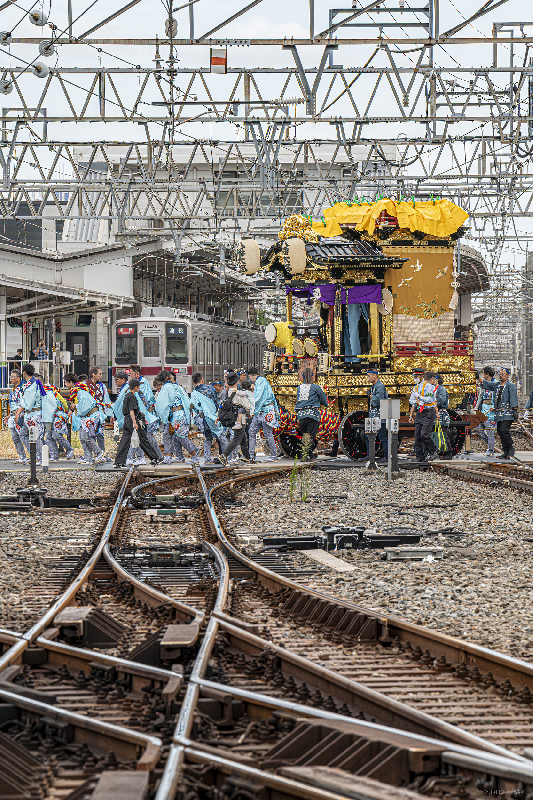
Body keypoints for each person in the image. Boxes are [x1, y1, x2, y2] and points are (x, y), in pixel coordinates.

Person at [114, 380, 162, 467]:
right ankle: (155, 458)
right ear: (136, 387)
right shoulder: (132, 396)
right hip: (132, 421)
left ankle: (119, 462)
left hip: (126, 421)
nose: (139, 387)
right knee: (143, 439)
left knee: (124, 442)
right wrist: (135, 423)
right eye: (138, 386)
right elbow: (132, 410)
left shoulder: (126, 395)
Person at [155, 371, 199, 464]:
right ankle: (176, 456)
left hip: (173, 416)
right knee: (171, 435)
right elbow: (187, 401)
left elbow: (160, 405)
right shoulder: (178, 386)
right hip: (181, 414)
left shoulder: (166, 388)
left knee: (180, 436)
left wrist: (163, 416)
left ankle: (195, 455)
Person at [65, 372, 106, 465]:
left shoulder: (80, 391)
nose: (65, 385)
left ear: (71, 382)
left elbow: (85, 405)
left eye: (66, 382)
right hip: (87, 416)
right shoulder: (78, 389)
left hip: (91, 415)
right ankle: (88, 457)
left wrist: (76, 406)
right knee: (82, 437)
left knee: (86, 437)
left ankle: (99, 452)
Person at [214, 372, 252, 466]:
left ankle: (248, 458)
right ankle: (224, 455)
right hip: (240, 419)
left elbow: (221, 406)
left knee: (243, 438)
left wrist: (218, 417)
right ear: (236, 382)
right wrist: (249, 414)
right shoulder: (239, 393)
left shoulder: (225, 392)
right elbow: (247, 406)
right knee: (237, 438)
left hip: (231, 419)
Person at [481, 367, 518, 459]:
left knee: (504, 430)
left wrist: (515, 409)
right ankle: (506, 451)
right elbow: (487, 384)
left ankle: (511, 448)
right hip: (499, 414)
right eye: (500, 374)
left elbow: (513, 397)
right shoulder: (497, 385)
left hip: (508, 413)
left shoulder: (510, 385)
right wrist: (478, 377)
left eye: (503, 374)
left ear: (507, 376)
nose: (501, 376)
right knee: (499, 431)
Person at [191, 372, 226, 464]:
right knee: (221, 436)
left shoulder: (193, 393)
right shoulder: (210, 389)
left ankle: (207, 459)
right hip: (211, 417)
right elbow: (217, 402)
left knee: (208, 438)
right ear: (202, 379)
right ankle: (228, 456)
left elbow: (194, 406)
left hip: (201, 418)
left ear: (194, 383)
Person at [294, 368, 329, 461]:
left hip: (301, 415)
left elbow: (298, 400)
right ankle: (304, 456)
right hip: (312, 415)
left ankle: (309, 455)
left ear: (303, 377)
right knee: (310, 437)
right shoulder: (316, 387)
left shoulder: (299, 388)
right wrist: (326, 404)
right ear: (313, 377)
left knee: (305, 436)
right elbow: (323, 399)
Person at [14, 363, 45, 463]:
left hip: (33, 414)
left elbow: (28, 403)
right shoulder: (31, 383)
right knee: (24, 434)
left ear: (24, 372)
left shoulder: (31, 385)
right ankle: (34, 456)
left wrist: (18, 412)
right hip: (30, 415)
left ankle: (40, 458)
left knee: (36, 437)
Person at [128, 364, 160, 459]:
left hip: (146, 414)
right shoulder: (140, 383)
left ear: (137, 374)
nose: (130, 376)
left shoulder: (142, 383)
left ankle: (158, 456)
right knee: (139, 436)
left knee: (147, 437)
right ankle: (133, 457)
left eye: (131, 374)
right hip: (143, 414)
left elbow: (142, 401)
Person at [247, 367, 279, 462]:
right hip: (265, 410)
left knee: (254, 432)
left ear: (251, 376)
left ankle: (252, 455)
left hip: (264, 411)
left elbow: (258, 397)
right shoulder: (263, 381)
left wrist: (250, 405)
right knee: (265, 433)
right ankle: (271, 455)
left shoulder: (260, 382)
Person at [408, 371, 439, 462]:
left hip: (428, 412)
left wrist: (420, 399)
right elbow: (411, 400)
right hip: (420, 412)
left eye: (416, 376)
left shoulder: (430, 387)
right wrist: (416, 402)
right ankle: (420, 457)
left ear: (422, 377)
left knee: (424, 434)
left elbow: (430, 399)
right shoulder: (416, 387)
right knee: (417, 436)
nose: (415, 378)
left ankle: (434, 450)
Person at [87, 367, 113, 460]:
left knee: (100, 434)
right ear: (93, 374)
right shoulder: (86, 385)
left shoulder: (102, 386)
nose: (101, 376)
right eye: (100, 374)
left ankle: (101, 453)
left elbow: (106, 400)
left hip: (100, 414)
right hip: (89, 414)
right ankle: (91, 455)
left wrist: (110, 414)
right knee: (89, 435)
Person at [43, 382, 74, 461]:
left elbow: (62, 403)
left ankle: (69, 449)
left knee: (56, 435)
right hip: (49, 416)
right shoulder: (49, 391)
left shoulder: (48, 392)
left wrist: (67, 412)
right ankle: (54, 455)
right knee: (49, 436)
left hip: (57, 415)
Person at [4, 369, 29, 463]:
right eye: (10, 377)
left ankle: (33, 456)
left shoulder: (23, 388)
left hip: (20, 415)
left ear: (18, 378)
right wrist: (9, 415)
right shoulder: (13, 389)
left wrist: (19, 414)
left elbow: (23, 403)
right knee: (15, 438)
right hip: (13, 416)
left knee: (23, 436)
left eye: (12, 377)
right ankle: (22, 456)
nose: (10, 378)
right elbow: (13, 404)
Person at [364, 369, 388, 464]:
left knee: (382, 435)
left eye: (369, 376)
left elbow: (379, 400)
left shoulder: (380, 386)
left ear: (375, 376)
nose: (368, 378)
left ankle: (386, 456)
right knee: (368, 434)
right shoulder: (373, 386)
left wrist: (371, 397)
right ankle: (370, 455)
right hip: (373, 414)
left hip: (379, 413)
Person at [474, 366, 497, 456]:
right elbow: (480, 396)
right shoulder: (483, 384)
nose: (482, 375)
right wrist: (476, 407)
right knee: (478, 428)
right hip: (483, 410)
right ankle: (491, 445)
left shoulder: (496, 383)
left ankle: (491, 449)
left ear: (487, 374)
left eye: (483, 373)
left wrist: (495, 406)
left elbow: (498, 397)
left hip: (491, 412)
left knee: (490, 431)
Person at [435, 375, 452, 460]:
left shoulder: (441, 389)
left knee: (443, 433)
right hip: (435, 412)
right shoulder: (434, 389)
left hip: (441, 413)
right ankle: (440, 452)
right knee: (436, 434)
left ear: (437, 380)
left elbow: (441, 401)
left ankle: (448, 452)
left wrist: (430, 404)